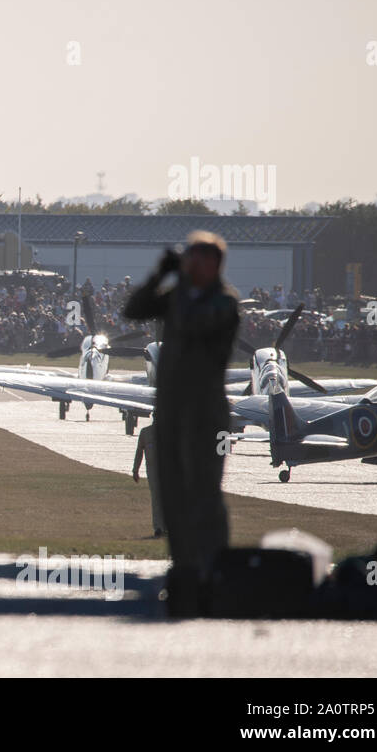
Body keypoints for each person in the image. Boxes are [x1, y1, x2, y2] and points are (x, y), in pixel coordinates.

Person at [123, 231, 239, 617]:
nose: (189, 265)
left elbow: (190, 325)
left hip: (205, 413)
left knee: (203, 494)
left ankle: (216, 571)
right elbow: (135, 309)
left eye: (196, 260)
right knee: (172, 493)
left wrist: (180, 285)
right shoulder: (179, 297)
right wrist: (160, 275)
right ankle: (186, 570)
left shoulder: (223, 303)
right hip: (172, 411)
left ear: (212, 265)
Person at [131, 422, 166, 538]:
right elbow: (139, 452)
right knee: (156, 499)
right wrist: (135, 470)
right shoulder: (146, 433)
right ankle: (158, 528)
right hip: (153, 473)